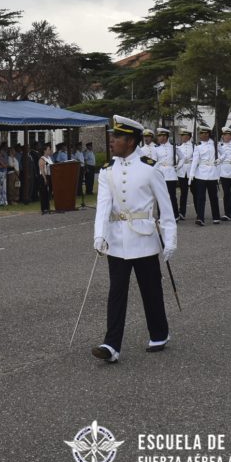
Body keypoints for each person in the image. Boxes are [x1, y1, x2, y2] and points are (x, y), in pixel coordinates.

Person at [92, 115, 177, 363]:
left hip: (145, 238)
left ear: (130, 141)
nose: (112, 141)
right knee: (116, 292)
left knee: (150, 290)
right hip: (117, 241)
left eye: (116, 137)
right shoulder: (107, 171)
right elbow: (103, 207)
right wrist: (99, 235)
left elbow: (166, 208)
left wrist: (170, 240)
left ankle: (159, 333)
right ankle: (111, 345)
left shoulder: (150, 168)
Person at [188, 124, 221, 225]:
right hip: (201, 174)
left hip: (212, 174)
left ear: (208, 134)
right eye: (201, 134)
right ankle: (200, 218)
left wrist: (219, 159)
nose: (202, 136)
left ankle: (216, 217)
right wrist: (191, 175)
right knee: (200, 197)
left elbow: (222, 155)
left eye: (205, 134)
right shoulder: (198, 147)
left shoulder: (215, 144)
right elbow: (195, 162)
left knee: (213, 197)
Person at [153, 127, 180, 220]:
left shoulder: (173, 147)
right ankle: (161, 216)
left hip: (171, 174)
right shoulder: (156, 149)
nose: (159, 138)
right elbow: (154, 162)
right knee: (160, 196)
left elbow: (183, 157)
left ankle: (175, 215)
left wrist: (178, 166)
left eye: (161, 136)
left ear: (165, 137)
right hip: (160, 174)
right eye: (159, 136)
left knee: (172, 195)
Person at [217, 129, 231, 220]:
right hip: (224, 171)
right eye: (225, 135)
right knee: (226, 193)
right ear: (222, 136)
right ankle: (227, 213)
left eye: (228, 135)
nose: (227, 137)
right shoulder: (219, 145)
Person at [175, 129, 194, 220]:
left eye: (185, 136)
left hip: (191, 171)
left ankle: (199, 212)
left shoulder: (194, 146)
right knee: (183, 193)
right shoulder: (178, 147)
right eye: (182, 136)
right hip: (182, 171)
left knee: (195, 192)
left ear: (189, 136)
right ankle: (182, 212)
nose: (183, 137)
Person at [38, 143, 53, 214]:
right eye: (48, 149)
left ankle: (48, 207)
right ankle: (44, 208)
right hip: (44, 176)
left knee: (48, 193)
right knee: (43, 192)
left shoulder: (49, 158)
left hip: (49, 176)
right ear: (44, 151)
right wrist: (45, 178)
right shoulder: (42, 159)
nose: (50, 151)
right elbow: (42, 169)